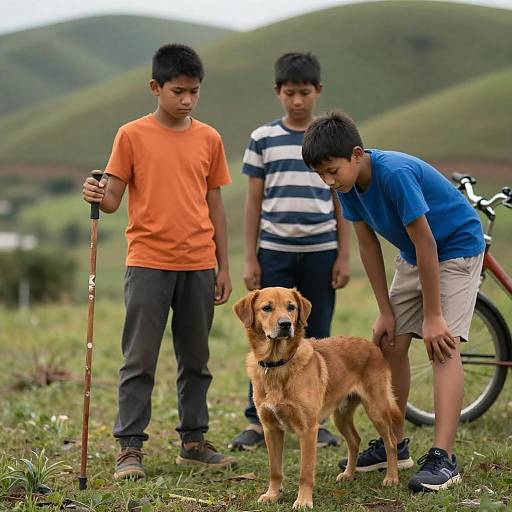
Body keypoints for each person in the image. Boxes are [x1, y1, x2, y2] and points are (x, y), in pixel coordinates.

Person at [302, 111, 485, 492]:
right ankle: (394, 443)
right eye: (321, 175)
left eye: (332, 171)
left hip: (454, 246)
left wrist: (433, 316)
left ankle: (443, 458)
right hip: (416, 252)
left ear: (356, 154)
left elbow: (427, 241)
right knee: (389, 344)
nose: (328, 181)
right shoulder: (347, 188)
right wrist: (386, 310)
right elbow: (368, 245)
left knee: (443, 346)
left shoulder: (394, 173)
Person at [82, 43, 237, 479]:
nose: (186, 100)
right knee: (139, 359)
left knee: (196, 359)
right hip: (148, 263)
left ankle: (193, 441)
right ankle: (129, 448)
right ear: (156, 87)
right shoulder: (131, 135)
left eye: (194, 92)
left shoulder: (209, 138)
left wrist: (223, 266)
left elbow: (216, 204)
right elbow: (111, 199)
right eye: (178, 91)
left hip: (198, 264)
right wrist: (95, 192)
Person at [228, 53, 351, 451]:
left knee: (316, 332)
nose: (298, 101)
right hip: (274, 249)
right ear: (278, 92)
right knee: (264, 330)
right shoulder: (263, 139)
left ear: (318, 92)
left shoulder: (328, 141)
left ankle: (317, 414)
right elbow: (253, 202)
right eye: (290, 93)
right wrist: (250, 256)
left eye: (305, 93)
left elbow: (341, 200)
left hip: (320, 249)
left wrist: (343, 254)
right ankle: (258, 416)